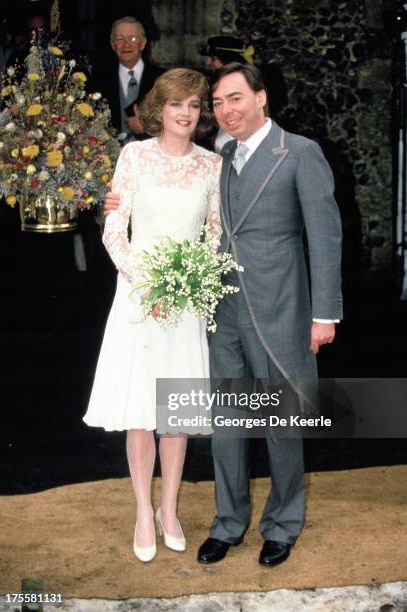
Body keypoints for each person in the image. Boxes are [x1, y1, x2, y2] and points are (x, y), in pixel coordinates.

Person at [104, 63, 342, 567]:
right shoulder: (220, 156)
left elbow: (325, 236)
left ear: (261, 98)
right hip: (218, 308)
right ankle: (228, 523)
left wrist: (325, 314)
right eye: (218, 102)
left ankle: (282, 524)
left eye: (234, 98)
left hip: (280, 308)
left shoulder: (299, 152)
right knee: (228, 423)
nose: (224, 110)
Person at [83, 68, 222, 563]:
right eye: (176, 104)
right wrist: (148, 285)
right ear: (159, 109)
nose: (186, 113)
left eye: (194, 105)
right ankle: (143, 510)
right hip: (139, 297)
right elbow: (114, 230)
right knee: (142, 412)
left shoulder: (211, 166)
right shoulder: (134, 156)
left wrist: (191, 279)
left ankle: (169, 509)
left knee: (175, 412)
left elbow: (215, 233)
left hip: (184, 302)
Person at [103, 16, 164, 141]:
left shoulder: (163, 79)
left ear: (143, 43)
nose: (126, 44)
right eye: (120, 38)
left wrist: (148, 128)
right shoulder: (97, 82)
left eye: (133, 38)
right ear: (113, 45)